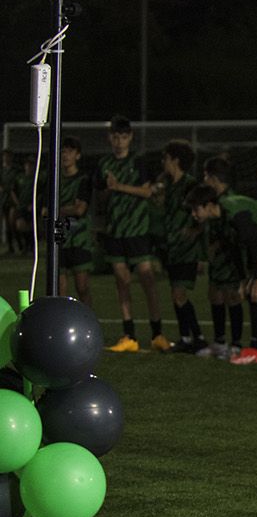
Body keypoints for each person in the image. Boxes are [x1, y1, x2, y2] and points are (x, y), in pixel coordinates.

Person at [100, 115, 169, 353]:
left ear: (130, 137)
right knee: (122, 282)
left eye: (123, 137)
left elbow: (147, 192)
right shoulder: (104, 164)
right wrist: (107, 191)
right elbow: (100, 196)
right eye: (115, 137)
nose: (119, 141)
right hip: (115, 231)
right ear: (110, 138)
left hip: (138, 230)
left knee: (148, 281)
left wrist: (118, 186)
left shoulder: (139, 162)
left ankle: (157, 333)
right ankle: (129, 335)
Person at [193, 158, 257, 362]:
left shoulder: (229, 204)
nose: (204, 180)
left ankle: (245, 345)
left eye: (206, 176)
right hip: (239, 249)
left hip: (255, 244)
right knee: (220, 292)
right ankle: (230, 343)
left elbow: (250, 238)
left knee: (242, 293)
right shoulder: (218, 203)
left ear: (214, 178)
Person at [153, 140, 207, 352]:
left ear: (175, 160)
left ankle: (198, 337)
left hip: (187, 249)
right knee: (176, 295)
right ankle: (186, 338)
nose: (163, 162)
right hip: (172, 247)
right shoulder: (167, 184)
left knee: (179, 293)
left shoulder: (190, 185)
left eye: (165, 158)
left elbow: (202, 213)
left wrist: (195, 232)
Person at [49, 137, 93, 303]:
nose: (65, 155)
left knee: (82, 287)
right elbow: (45, 209)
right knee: (59, 289)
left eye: (70, 151)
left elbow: (80, 209)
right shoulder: (54, 179)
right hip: (59, 238)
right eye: (63, 151)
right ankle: (62, 318)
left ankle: (87, 316)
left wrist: (57, 209)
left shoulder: (83, 180)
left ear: (78, 155)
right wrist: (68, 209)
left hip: (79, 239)